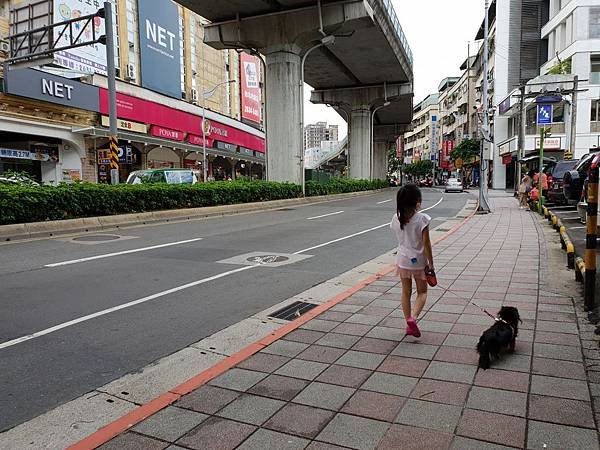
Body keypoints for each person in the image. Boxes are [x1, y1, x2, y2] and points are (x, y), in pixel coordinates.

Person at [390, 184, 434, 338]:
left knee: (405, 292)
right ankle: (413, 318)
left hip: (402, 260)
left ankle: (407, 320)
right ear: (417, 203)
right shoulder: (422, 219)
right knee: (422, 292)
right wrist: (431, 265)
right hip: (419, 261)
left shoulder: (396, 218)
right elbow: (427, 244)